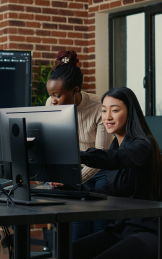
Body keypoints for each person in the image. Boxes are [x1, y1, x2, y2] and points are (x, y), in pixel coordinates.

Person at [69, 87, 162, 259]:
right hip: (122, 228)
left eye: (114, 110)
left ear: (130, 113)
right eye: (103, 110)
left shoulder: (144, 144)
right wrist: (70, 188)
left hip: (148, 230)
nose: (107, 117)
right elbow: (106, 192)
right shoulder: (116, 146)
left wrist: (76, 155)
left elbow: (117, 158)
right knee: (70, 252)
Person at [45, 50, 113, 240]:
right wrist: (57, 173)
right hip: (72, 172)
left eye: (57, 95)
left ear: (75, 91)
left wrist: (72, 179)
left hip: (100, 171)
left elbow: (100, 157)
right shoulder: (51, 105)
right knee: (77, 231)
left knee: (100, 230)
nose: (52, 100)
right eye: (50, 95)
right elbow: (52, 145)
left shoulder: (99, 107)